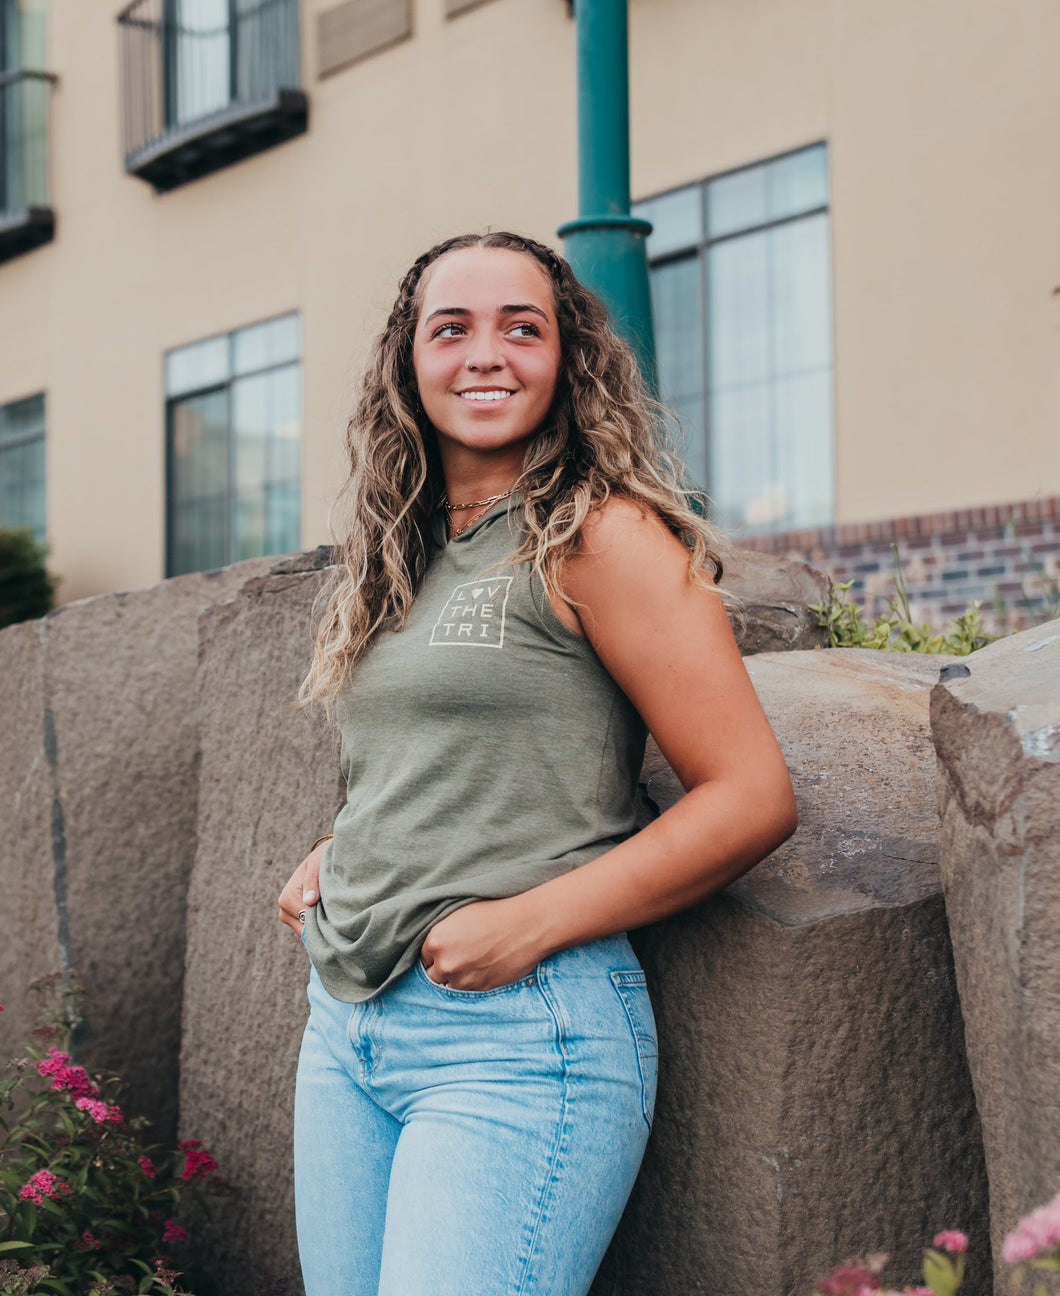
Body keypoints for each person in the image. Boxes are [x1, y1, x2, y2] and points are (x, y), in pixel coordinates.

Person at [277, 231, 797, 1296]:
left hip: (518, 1040)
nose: (486, 355)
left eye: (523, 328)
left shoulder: (600, 536)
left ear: (567, 361)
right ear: (406, 362)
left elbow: (750, 796)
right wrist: (345, 847)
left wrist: (530, 921)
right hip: (348, 1027)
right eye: (451, 328)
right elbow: (444, 749)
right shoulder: (398, 550)